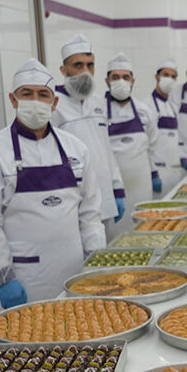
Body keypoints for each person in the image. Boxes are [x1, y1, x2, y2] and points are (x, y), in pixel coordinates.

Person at [0, 58, 107, 306]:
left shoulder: (76, 149)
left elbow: (90, 214)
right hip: (24, 275)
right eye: (26, 94)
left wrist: (96, 262)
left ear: (54, 103)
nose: (35, 101)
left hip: (76, 269)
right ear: (13, 99)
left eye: (43, 94)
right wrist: (3, 276)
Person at [51, 34, 125, 231]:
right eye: (78, 65)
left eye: (90, 65)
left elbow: (106, 150)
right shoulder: (54, 105)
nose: (85, 71)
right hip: (75, 202)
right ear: (63, 69)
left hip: (106, 197)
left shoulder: (98, 103)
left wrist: (117, 187)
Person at [104, 53, 159, 233]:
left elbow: (151, 145)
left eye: (125, 77)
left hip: (141, 183)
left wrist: (154, 172)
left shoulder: (145, 111)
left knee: (143, 231)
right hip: (113, 187)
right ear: (107, 81)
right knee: (115, 236)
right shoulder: (97, 110)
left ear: (133, 80)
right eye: (115, 77)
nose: (121, 81)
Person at [148, 57, 187, 193]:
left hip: (176, 170)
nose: (169, 79)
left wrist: (183, 159)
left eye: (173, 76)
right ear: (157, 77)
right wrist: (152, 173)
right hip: (158, 171)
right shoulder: (147, 106)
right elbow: (145, 145)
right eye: (166, 75)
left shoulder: (172, 105)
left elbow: (176, 138)